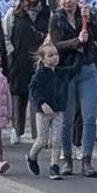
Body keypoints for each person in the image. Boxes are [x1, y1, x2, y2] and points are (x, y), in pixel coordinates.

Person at [49, 0, 97, 177]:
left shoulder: (85, 16)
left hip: (86, 68)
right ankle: (67, 158)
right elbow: (56, 45)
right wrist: (76, 41)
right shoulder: (56, 19)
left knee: (89, 115)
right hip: (66, 70)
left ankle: (87, 160)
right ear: (60, 1)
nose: (68, 2)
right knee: (67, 118)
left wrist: (91, 20)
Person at [3, 0, 50, 144]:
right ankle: (17, 129)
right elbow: (6, 35)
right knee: (18, 94)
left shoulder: (46, 13)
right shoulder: (14, 13)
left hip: (41, 60)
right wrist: (11, 52)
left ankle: (40, 133)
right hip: (19, 58)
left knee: (39, 96)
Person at [27, 42, 71, 181]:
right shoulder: (39, 75)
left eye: (56, 54)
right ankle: (32, 157)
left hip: (58, 110)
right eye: (50, 55)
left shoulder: (60, 72)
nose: (55, 58)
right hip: (43, 112)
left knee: (57, 140)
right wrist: (42, 103)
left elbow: (74, 69)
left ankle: (54, 166)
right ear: (43, 59)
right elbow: (33, 90)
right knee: (43, 140)